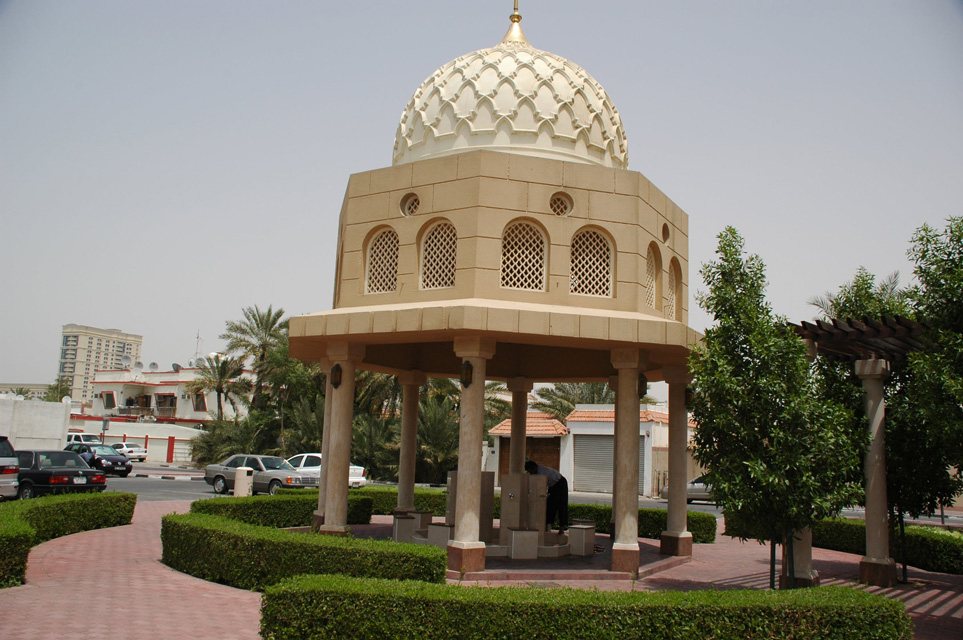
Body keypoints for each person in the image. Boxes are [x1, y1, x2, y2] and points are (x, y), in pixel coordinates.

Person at [524, 460, 569, 532]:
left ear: (534, 468)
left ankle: (562, 527)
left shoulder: (542, 473)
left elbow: (540, 487)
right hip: (552, 485)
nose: (531, 473)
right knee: (550, 505)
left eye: (530, 471)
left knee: (561, 505)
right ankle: (547, 526)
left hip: (560, 483)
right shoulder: (537, 472)